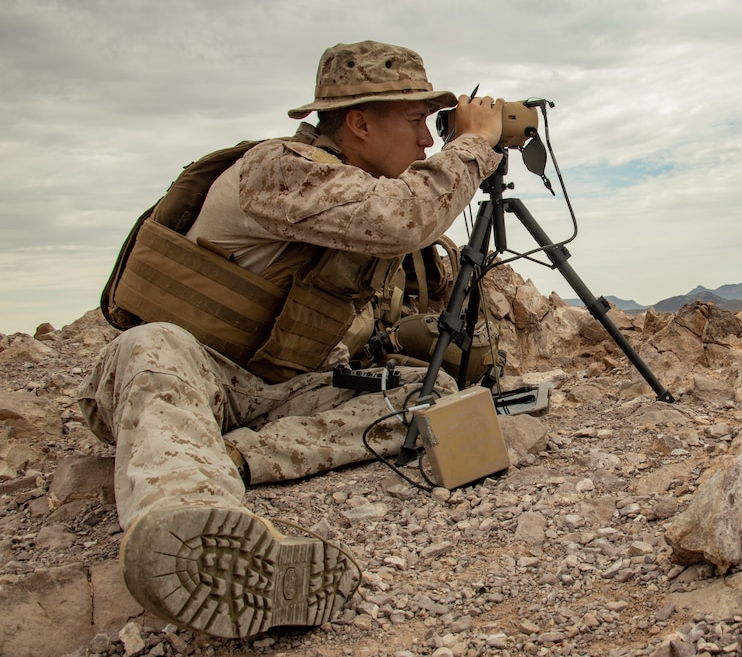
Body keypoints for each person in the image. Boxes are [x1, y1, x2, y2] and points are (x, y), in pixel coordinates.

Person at [77, 40, 505, 639]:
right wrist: (475, 144)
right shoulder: (278, 169)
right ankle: (188, 523)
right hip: (187, 371)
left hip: (272, 387)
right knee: (155, 346)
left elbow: (413, 253)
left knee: (419, 391)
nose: (427, 142)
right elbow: (402, 216)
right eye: (415, 124)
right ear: (358, 122)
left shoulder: (352, 188)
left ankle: (231, 458)